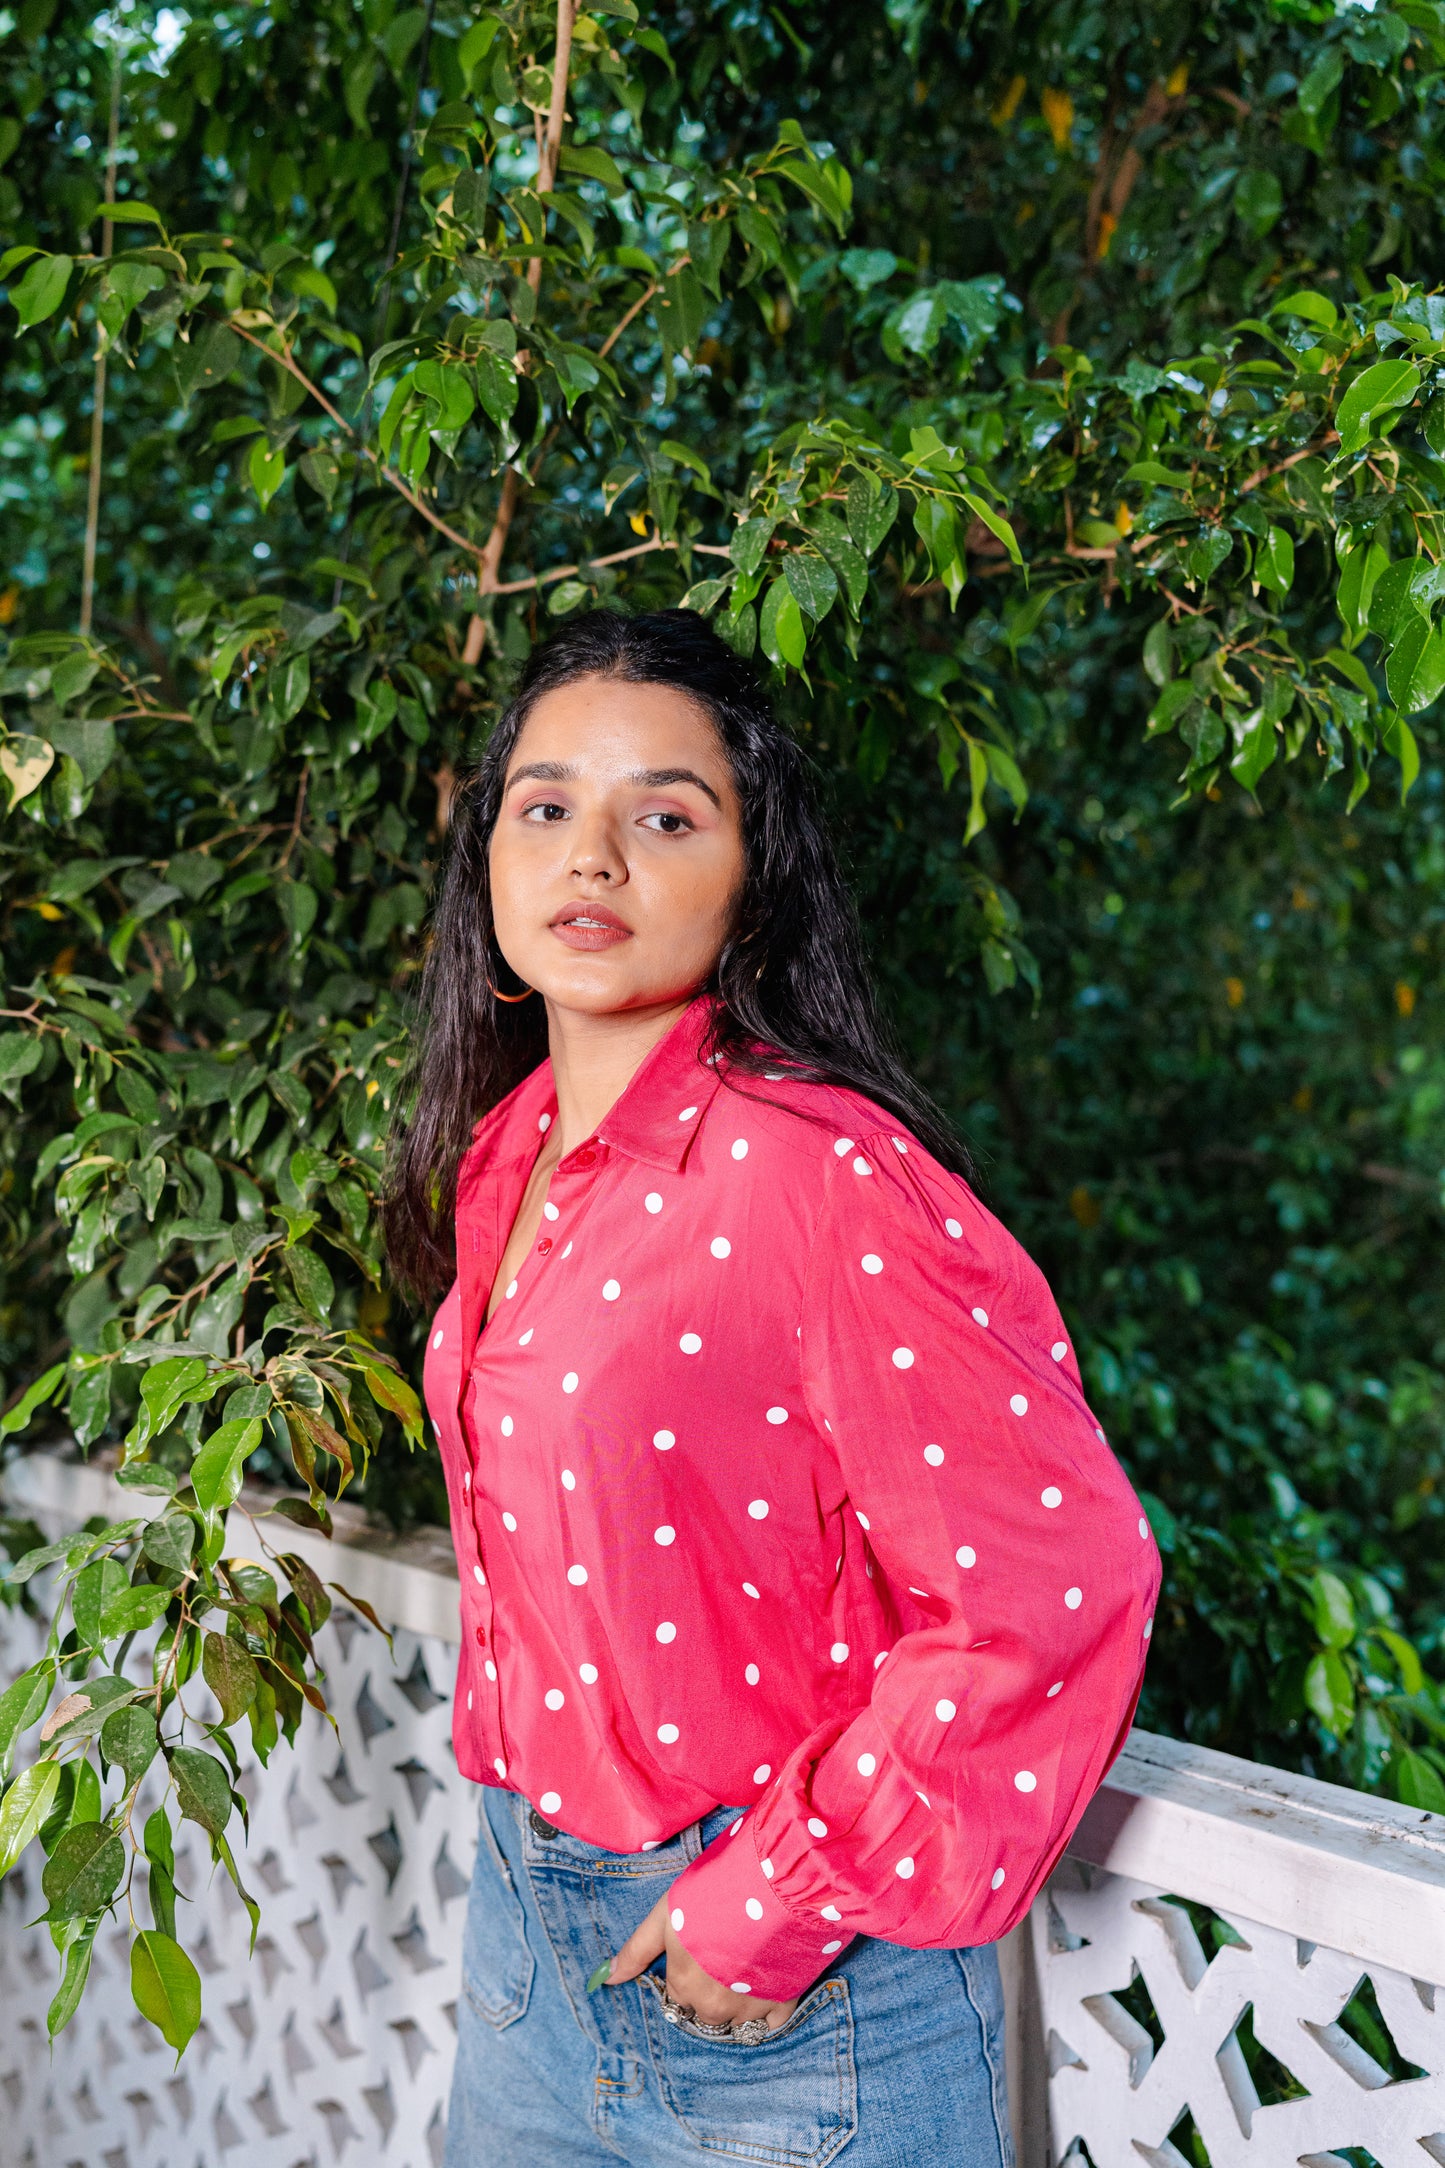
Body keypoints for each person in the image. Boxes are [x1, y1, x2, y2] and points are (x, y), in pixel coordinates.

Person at [384, 608, 1160, 2167]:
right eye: (545, 807)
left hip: (786, 1998)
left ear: (750, 886)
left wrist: (768, 1905)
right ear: (488, 859)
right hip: (529, 1942)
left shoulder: (821, 1178)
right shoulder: (509, 1152)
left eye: (664, 816)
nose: (589, 856)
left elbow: (1058, 1581)